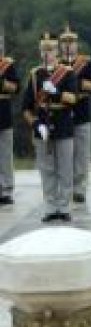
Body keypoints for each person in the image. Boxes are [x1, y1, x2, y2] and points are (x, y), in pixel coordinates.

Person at [23, 32, 77, 222]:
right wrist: (36, 124)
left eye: (51, 49)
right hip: (43, 127)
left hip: (63, 125)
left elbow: (73, 99)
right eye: (44, 50)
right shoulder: (35, 75)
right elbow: (26, 108)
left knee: (65, 169)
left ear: (57, 51)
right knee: (46, 170)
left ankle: (64, 207)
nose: (48, 54)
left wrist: (56, 92)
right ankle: (50, 207)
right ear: (40, 52)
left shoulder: (68, 73)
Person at [59, 25, 91, 204]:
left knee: (82, 155)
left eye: (72, 42)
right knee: (64, 156)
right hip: (62, 115)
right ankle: (66, 188)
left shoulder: (86, 63)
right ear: (60, 45)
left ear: (76, 44)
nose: (68, 45)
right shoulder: (56, 65)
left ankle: (79, 189)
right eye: (65, 42)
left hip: (82, 113)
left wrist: (79, 83)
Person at [0, 31, 19, 205]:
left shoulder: (7, 65)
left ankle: (6, 190)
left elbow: (16, 87)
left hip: (3, 113)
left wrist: (2, 83)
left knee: (5, 154)